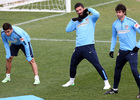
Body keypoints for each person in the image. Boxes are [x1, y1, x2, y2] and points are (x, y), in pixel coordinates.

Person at [62, 3, 111, 89]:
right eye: (77, 11)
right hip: (78, 48)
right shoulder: (77, 21)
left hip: (89, 47)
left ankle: (107, 83)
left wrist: (89, 9)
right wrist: (72, 20)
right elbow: (67, 30)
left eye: (80, 10)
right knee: (73, 64)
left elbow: (97, 14)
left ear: (83, 9)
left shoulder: (91, 18)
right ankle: (71, 81)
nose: (79, 12)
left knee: (97, 65)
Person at [104, 4, 140, 98]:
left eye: (119, 12)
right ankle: (115, 89)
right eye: (117, 12)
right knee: (117, 69)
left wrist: (138, 46)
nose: (118, 14)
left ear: (124, 12)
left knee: (134, 70)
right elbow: (114, 36)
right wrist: (111, 49)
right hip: (122, 52)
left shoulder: (132, 22)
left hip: (132, 52)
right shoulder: (115, 24)